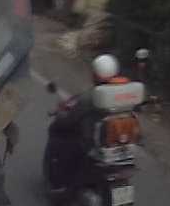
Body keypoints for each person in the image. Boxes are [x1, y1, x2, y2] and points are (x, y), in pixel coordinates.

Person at [45, 55, 122, 189]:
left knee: (58, 136)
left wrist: (59, 118)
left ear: (95, 74)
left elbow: (69, 120)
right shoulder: (122, 93)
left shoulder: (90, 98)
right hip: (116, 142)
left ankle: (59, 182)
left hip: (92, 142)